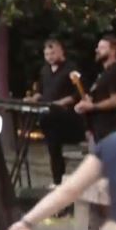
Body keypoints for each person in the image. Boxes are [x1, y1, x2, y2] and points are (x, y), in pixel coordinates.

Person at [26, 39, 85, 187]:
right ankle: (57, 180)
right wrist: (33, 99)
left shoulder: (71, 69)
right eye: (47, 54)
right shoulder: (44, 70)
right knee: (53, 148)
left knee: (57, 145)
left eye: (52, 53)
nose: (50, 57)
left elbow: (78, 92)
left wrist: (63, 102)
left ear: (61, 51)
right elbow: (40, 91)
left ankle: (61, 180)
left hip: (66, 116)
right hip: (48, 116)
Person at [76, 34, 116, 143]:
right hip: (98, 127)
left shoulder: (115, 72)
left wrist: (93, 106)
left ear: (113, 51)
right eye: (98, 47)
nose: (97, 50)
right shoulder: (104, 74)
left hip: (110, 128)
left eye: (102, 48)